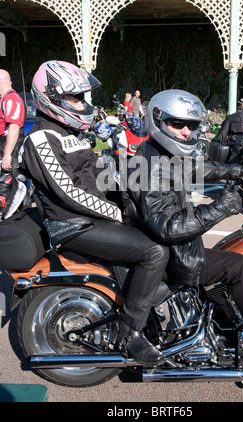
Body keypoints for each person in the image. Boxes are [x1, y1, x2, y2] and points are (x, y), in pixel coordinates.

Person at [122, 89, 243, 382]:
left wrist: (241, 171)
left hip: (174, 247)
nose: (185, 131)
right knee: (240, 267)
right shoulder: (146, 165)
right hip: (168, 254)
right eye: (177, 124)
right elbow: (167, 226)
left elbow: (197, 168)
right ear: (157, 120)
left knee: (238, 248)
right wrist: (221, 208)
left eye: (191, 125)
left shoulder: (158, 152)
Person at [18, 60, 169, 366]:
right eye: (75, 98)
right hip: (72, 225)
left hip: (91, 218)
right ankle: (131, 334)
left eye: (82, 98)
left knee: (158, 227)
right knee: (153, 252)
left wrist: (136, 190)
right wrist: (115, 212)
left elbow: (101, 176)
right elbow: (67, 192)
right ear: (52, 98)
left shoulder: (71, 134)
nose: (82, 105)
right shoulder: (40, 138)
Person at [0, 69, 26, 217]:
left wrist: (7, 155)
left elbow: (14, 127)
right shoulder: (5, 99)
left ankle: (6, 220)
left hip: (9, 147)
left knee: (8, 189)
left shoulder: (11, 99)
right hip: (4, 146)